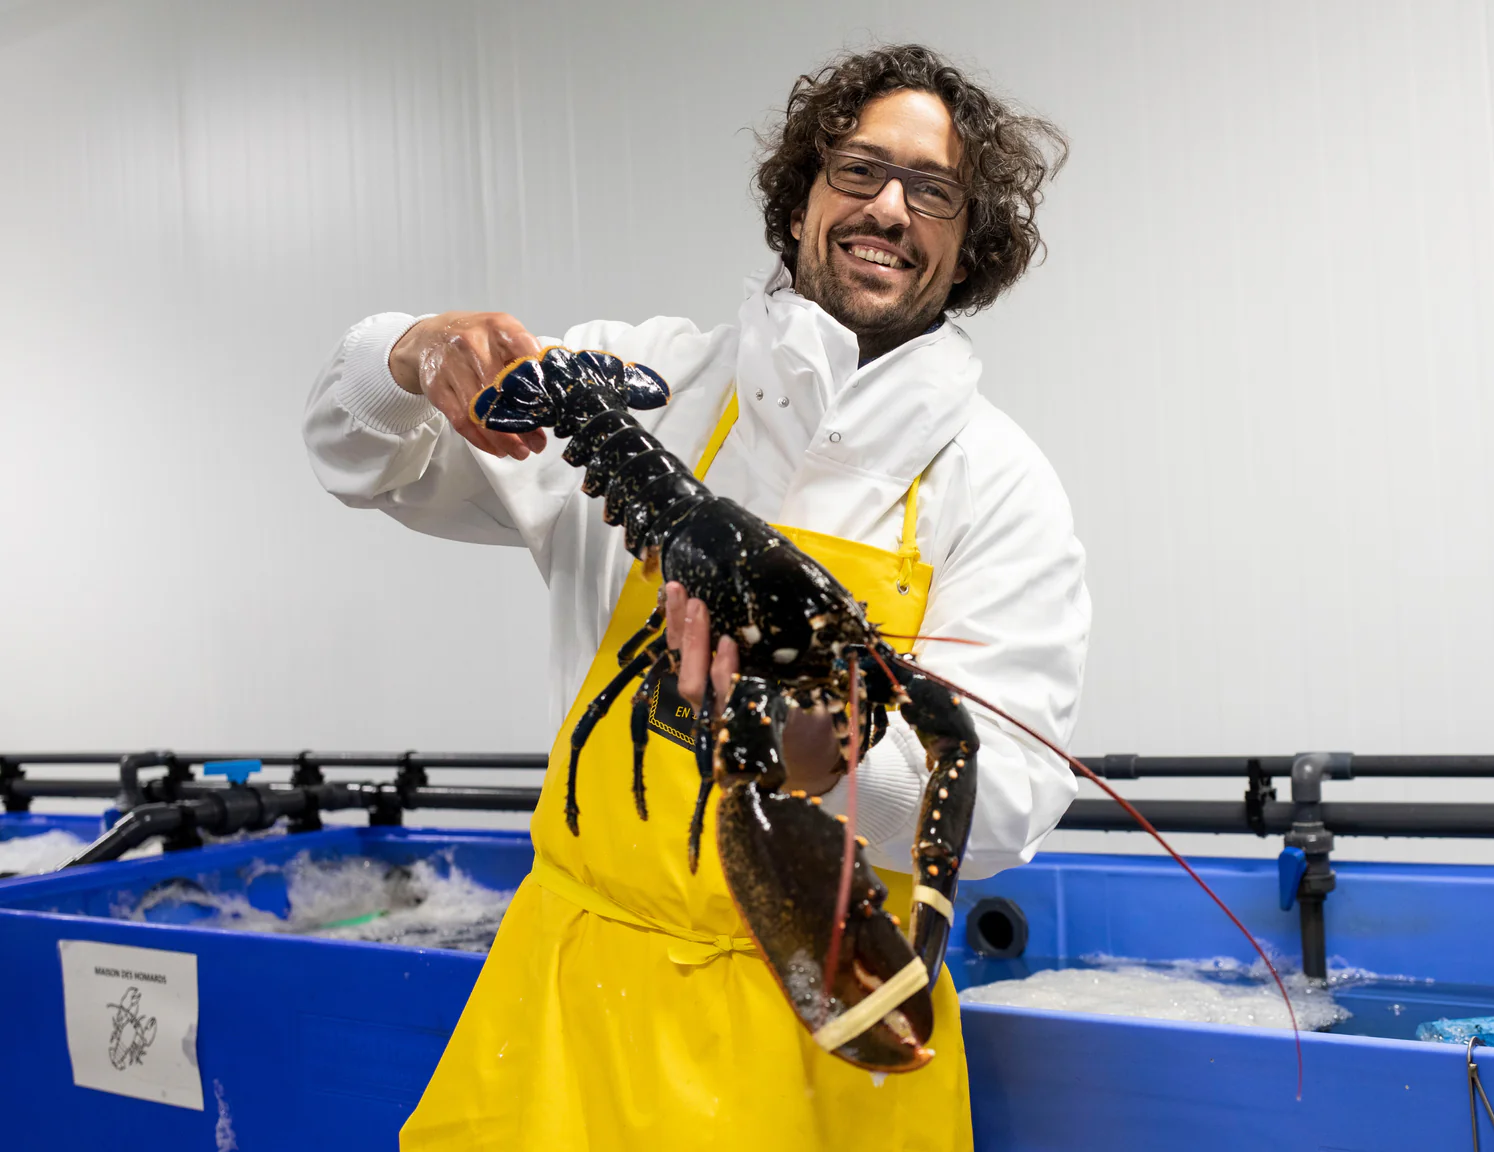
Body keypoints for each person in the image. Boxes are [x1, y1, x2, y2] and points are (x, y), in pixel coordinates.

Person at [304, 43, 1090, 1152]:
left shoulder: (997, 483)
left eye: (935, 189)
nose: (890, 208)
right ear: (804, 192)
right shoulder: (654, 384)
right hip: (576, 1014)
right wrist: (404, 353)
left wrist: (827, 751)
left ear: (971, 241)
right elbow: (357, 462)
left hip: (830, 1035)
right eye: (859, 169)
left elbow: (1007, 802)